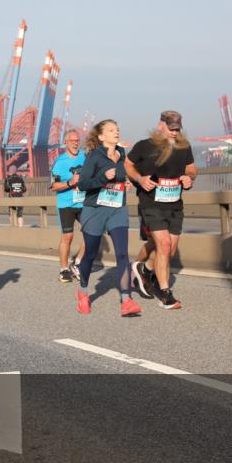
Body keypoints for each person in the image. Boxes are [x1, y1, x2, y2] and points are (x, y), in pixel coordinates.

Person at [125, 111, 197, 310]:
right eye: (171, 128)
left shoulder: (184, 147)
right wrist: (139, 179)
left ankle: (145, 268)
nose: (175, 132)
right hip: (151, 203)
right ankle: (165, 293)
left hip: (174, 204)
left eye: (177, 129)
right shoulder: (144, 146)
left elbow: (192, 168)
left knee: (169, 249)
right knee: (163, 245)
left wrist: (189, 177)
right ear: (161, 125)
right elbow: (128, 165)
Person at [74, 119, 142, 317]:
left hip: (117, 208)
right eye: (111, 130)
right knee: (90, 254)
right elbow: (84, 183)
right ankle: (83, 292)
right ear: (102, 136)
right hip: (95, 209)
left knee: (122, 254)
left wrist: (125, 182)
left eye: (117, 129)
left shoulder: (122, 154)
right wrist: (105, 177)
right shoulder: (95, 156)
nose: (116, 132)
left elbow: (121, 177)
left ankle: (126, 300)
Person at [50, 129, 85, 283]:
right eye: (72, 141)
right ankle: (63, 269)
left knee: (91, 235)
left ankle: (76, 263)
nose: (75, 143)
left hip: (84, 202)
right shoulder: (60, 162)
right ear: (65, 143)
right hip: (66, 204)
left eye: (77, 140)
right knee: (68, 237)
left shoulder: (85, 156)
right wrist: (70, 182)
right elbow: (53, 186)